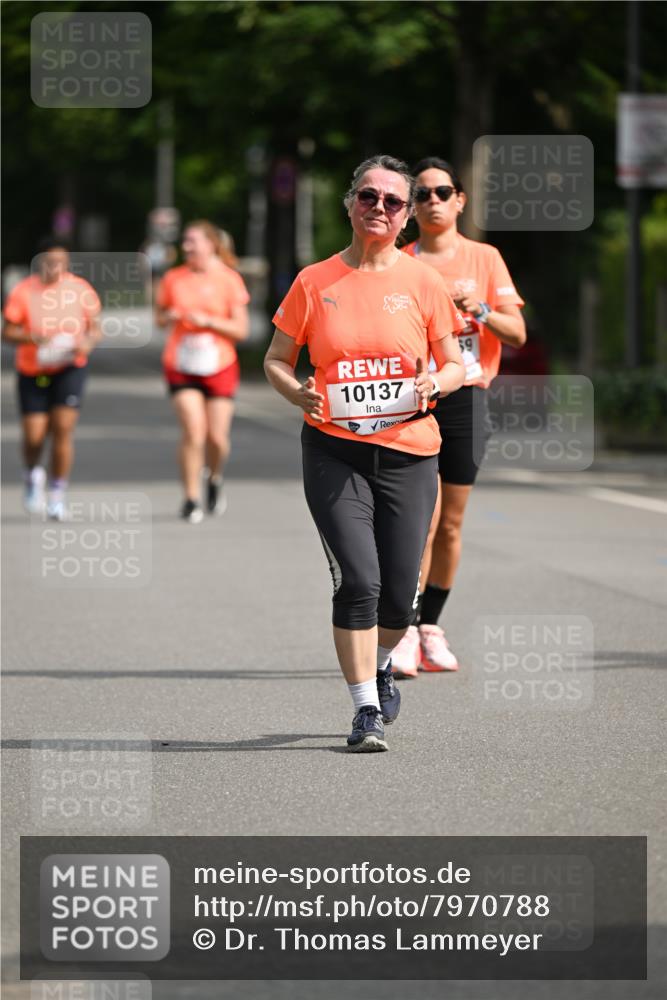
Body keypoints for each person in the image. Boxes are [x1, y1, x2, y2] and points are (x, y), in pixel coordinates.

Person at [264, 155, 465, 752]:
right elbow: (276, 358)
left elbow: (455, 361)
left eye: (393, 202)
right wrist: (295, 389)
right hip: (335, 451)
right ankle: (365, 709)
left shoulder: (423, 283)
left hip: (409, 451)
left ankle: (380, 666)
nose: (380, 208)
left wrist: (438, 382)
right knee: (359, 580)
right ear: (349, 203)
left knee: (401, 592)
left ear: (406, 218)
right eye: (368, 197)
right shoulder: (313, 281)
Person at [390, 157, 526, 677]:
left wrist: (480, 308)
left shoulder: (484, 258)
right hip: (417, 397)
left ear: (460, 200)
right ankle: (402, 629)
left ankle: (431, 627)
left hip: (467, 396)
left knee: (449, 525)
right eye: (420, 195)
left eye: (441, 192)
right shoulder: (399, 261)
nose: (431, 202)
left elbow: (517, 334)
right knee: (419, 524)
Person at [156, 220, 250, 523]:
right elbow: (158, 318)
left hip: (219, 363)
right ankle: (190, 497)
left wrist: (209, 322)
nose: (186, 247)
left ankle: (214, 478)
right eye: (185, 241)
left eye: (192, 241)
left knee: (217, 438)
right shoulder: (173, 278)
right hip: (181, 362)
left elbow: (241, 330)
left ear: (211, 244)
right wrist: (168, 316)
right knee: (193, 431)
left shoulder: (229, 279)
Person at [2, 237, 102, 519]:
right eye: (51, 261)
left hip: (69, 368)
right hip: (33, 371)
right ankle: (33, 475)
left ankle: (57, 494)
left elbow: (95, 329)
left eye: (62, 262)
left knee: (62, 430)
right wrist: (34, 337)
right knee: (34, 436)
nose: (56, 267)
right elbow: (7, 331)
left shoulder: (80, 290)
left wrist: (87, 343)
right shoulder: (23, 291)